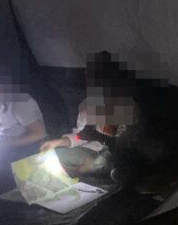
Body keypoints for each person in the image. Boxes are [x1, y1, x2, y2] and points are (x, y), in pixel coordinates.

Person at [39, 52, 139, 180]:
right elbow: (81, 135)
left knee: (102, 165)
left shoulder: (126, 107)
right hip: (92, 148)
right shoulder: (87, 106)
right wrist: (58, 142)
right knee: (55, 156)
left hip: (118, 152)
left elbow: (125, 144)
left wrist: (93, 162)